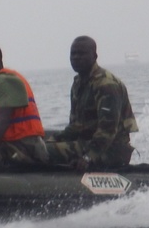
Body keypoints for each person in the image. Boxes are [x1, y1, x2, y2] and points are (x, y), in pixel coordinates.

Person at [44, 36, 138, 170]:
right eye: (73, 54)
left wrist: (89, 157)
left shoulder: (106, 84)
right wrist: (53, 139)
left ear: (94, 56)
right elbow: (76, 126)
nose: (76, 57)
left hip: (112, 150)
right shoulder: (78, 83)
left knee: (42, 153)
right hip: (87, 143)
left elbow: (108, 130)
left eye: (81, 53)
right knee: (41, 146)